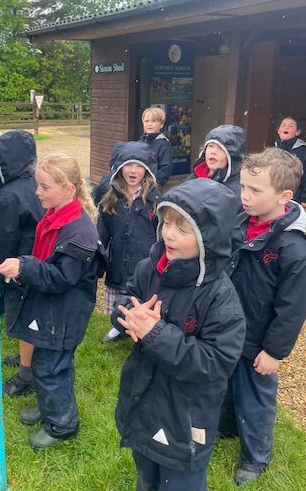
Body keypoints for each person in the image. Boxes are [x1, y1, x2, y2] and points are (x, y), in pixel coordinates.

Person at [112, 178, 245, 491]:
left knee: (181, 482)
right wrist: (129, 317)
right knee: (145, 472)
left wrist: (155, 333)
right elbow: (125, 300)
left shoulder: (220, 298)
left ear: (208, 238)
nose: (169, 233)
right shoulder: (150, 268)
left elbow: (216, 362)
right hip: (141, 397)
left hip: (186, 416)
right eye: (166, 221)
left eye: (183, 229)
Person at [0, 153, 106, 449]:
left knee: (50, 366)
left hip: (65, 313)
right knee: (49, 362)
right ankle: (50, 407)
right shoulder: (58, 213)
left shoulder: (79, 233)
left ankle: (62, 424)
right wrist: (26, 266)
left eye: (45, 187)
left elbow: (61, 278)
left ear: (69, 188)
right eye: (38, 185)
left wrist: (24, 267)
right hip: (51, 307)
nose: (37, 192)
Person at [219, 148, 306, 485]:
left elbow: (292, 308)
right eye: (243, 187)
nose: (245, 196)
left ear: (284, 196)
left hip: (260, 340)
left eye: (255, 191)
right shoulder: (242, 221)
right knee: (226, 384)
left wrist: (274, 352)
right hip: (229, 328)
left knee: (255, 399)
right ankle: (225, 427)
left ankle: (255, 457)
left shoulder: (294, 247)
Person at [0, 129, 44, 397]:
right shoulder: (39, 183)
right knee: (29, 316)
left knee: (23, 319)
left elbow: (5, 237)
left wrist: (1, 269)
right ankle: (27, 357)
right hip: (37, 262)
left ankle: (27, 374)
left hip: (20, 268)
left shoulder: (10, 194)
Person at [97, 141, 160, 343]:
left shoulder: (156, 200)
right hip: (118, 260)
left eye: (139, 166)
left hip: (144, 261)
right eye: (128, 165)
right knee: (119, 298)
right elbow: (102, 234)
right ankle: (117, 327)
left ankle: (142, 332)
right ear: (119, 168)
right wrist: (98, 260)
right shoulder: (110, 197)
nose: (133, 171)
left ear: (148, 170)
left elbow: (161, 234)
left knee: (140, 298)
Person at [188, 124, 246, 208]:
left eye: (221, 148)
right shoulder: (194, 176)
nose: (213, 152)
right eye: (211, 146)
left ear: (233, 156)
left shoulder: (237, 191)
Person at [274, 115, 306, 206]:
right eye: (283, 125)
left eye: (291, 126)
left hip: (295, 197)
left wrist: (304, 198)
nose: (287, 127)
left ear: (297, 132)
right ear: (278, 130)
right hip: (276, 194)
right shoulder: (274, 149)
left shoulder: (302, 151)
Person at [138, 106, 172, 189]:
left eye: (153, 121)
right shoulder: (140, 141)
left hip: (153, 186)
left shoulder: (163, 143)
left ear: (161, 124)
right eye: (146, 121)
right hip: (138, 183)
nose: (149, 124)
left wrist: (152, 184)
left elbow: (165, 169)